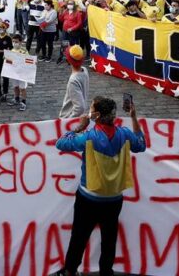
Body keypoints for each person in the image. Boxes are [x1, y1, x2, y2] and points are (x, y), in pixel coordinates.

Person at [54, 96, 146, 276]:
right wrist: (134, 117)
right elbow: (141, 145)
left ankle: (70, 270)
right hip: (114, 199)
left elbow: (61, 143)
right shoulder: (125, 134)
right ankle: (106, 271)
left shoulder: (88, 137)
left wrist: (79, 126)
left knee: (79, 237)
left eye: (91, 108)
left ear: (96, 115)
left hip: (88, 198)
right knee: (109, 239)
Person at [59, 45, 89, 119]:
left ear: (69, 61)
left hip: (68, 118)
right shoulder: (84, 70)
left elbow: (80, 107)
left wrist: (68, 120)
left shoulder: (73, 80)